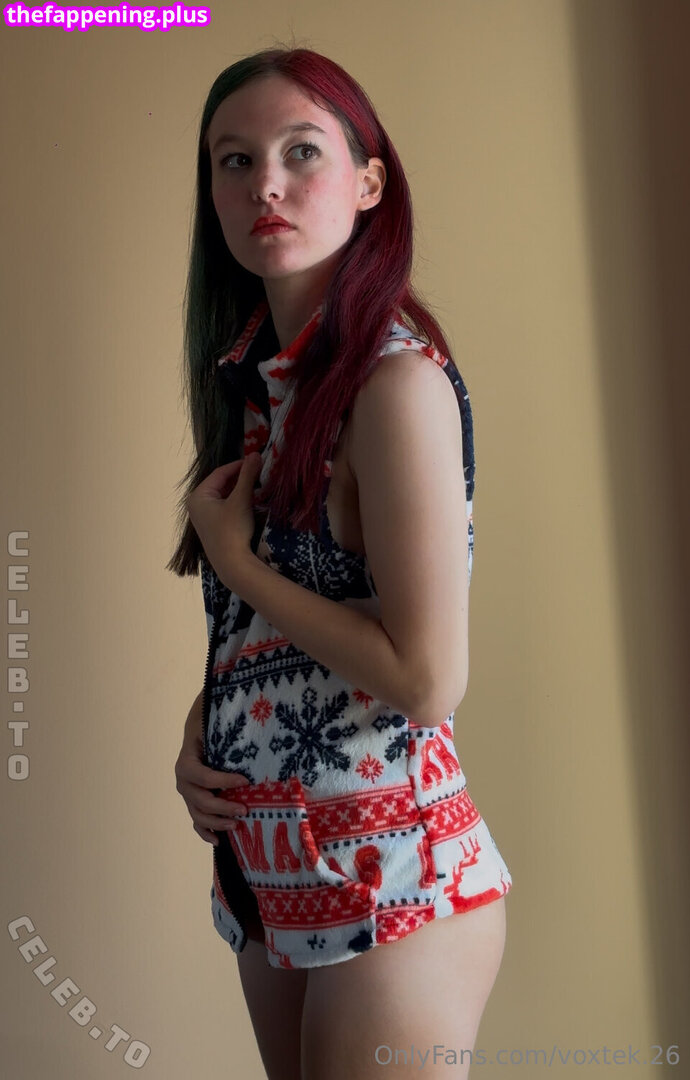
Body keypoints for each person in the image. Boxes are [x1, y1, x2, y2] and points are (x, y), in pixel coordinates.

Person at [169, 45, 513, 1080]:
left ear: (369, 183)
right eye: (234, 161)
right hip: (270, 874)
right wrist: (205, 727)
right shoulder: (261, 387)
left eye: (301, 151)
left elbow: (425, 677)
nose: (264, 185)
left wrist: (238, 564)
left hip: (392, 877)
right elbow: (298, 628)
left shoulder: (393, 385)